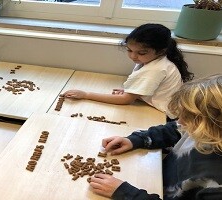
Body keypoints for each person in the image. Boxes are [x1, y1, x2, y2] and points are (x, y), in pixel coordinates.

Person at [90, 74, 222, 200]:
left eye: (189, 118)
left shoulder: (216, 188)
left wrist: (126, 193)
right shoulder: (204, 129)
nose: (180, 121)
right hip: (157, 178)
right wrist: (136, 140)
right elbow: (175, 129)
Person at [63, 23, 193, 119]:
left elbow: (126, 100)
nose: (133, 56)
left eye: (141, 53)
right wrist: (133, 92)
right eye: (129, 50)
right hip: (165, 109)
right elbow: (153, 90)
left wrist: (86, 95)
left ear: (161, 51)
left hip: (165, 117)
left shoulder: (156, 69)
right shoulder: (155, 61)